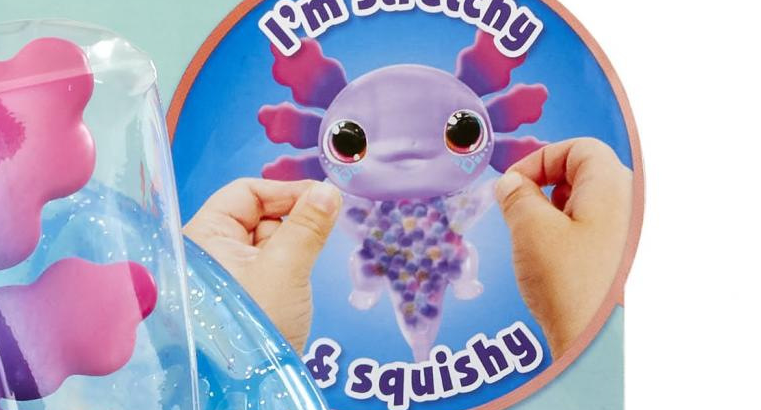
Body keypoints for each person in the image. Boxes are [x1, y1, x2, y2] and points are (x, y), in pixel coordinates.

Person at [187, 136, 636, 357]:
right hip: (386, 259)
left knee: (461, 260)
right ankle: (378, 296)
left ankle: (449, 292)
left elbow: (473, 201)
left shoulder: (451, 211)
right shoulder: (366, 216)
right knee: (366, 265)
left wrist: (498, 190)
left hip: (444, 259)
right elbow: (349, 211)